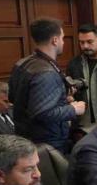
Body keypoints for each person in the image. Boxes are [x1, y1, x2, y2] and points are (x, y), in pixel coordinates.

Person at [9, 18, 85, 153]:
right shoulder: (46, 72)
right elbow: (42, 113)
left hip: (26, 137)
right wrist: (73, 109)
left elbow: (13, 97)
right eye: (62, 38)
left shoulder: (22, 63)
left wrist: (61, 99)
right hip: (47, 143)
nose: (63, 42)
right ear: (55, 40)